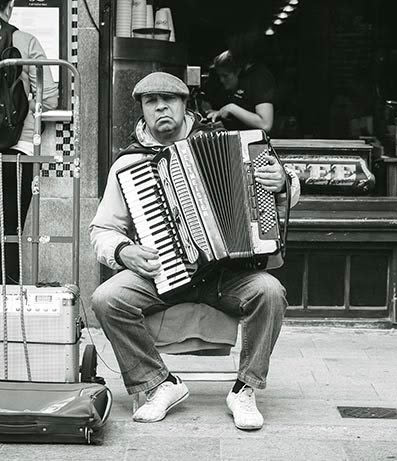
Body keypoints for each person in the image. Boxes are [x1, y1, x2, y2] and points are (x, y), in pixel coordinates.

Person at [89, 72, 300, 429]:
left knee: (270, 292)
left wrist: (284, 182)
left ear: (185, 104)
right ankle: (159, 384)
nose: (160, 108)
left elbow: (285, 191)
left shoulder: (226, 143)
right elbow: (102, 230)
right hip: (163, 274)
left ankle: (244, 390)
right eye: (151, 102)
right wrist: (124, 251)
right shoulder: (129, 164)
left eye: (168, 100)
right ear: (141, 109)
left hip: (225, 275)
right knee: (106, 299)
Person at [0, 0, 58, 283]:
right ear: (9, 5)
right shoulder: (25, 40)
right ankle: (8, 301)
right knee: (9, 230)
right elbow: (48, 99)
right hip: (18, 148)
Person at [205, 28, 275, 132]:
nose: (221, 80)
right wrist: (219, 112)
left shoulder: (260, 77)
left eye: (225, 76)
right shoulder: (243, 75)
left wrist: (231, 108)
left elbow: (265, 124)